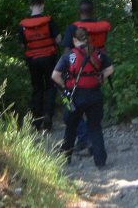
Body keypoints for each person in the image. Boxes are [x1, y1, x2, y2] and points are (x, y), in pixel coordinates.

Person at [52, 26, 113, 169]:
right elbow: (110, 69)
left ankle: (65, 159)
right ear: (87, 38)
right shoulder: (97, 53)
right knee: (95, 127)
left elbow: (55, 76)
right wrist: (100, 77)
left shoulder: (69, 56)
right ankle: (100, 162)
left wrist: (66, 87)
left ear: (74, 40)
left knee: (71, 127)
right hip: (94, 94)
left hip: (75, 96)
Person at [61, 0, 112, 153]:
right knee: (93, 114)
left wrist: (63, 72)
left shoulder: (73, 28)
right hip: (97, 75)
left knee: (69, 111)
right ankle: (92, 144)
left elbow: (67, 52)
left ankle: (84, 139)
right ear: (93, 11)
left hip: (76, 80)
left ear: (79, 11)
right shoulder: (101, 28)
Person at [18, 0, 60, 131]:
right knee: (51, 87)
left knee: (37, 88)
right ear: (42, 6)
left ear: (31, 7)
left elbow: (21, 45)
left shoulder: (23, 25)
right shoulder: (49, 21)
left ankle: (36, 121)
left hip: (33, 60)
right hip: (49, 58)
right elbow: (58, 39)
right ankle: (48, 115)